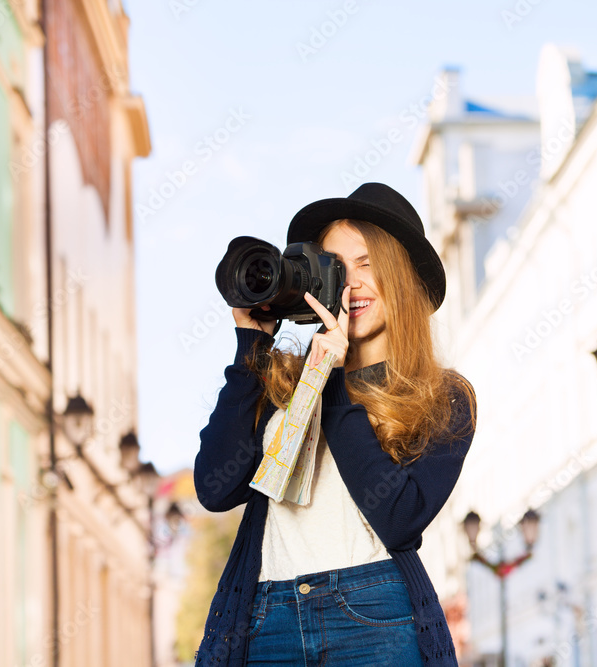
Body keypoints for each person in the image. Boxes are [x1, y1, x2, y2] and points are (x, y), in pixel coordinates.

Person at [193, 182, 476, 667]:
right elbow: (215, 489)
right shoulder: (284, 380)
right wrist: (251, 352)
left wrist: (337, 378)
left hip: (373, 613)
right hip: (267, 617)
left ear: (403, 278)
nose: (352, 285)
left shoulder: (440, 395)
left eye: (368, 264)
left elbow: (398, 519)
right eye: (336, 269)